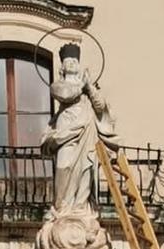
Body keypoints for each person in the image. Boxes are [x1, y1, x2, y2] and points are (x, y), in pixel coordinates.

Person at [41, 43, 119, 215]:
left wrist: (90, 88)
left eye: (74, 61)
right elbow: (64, 95)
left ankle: (79, 207)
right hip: (66, 129)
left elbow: (99, 107)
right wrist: (82, 86)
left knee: (87, 167)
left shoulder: (88, 86)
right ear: (62, 66)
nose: (71, 63)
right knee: (64, 165)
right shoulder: (58, 85)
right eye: (68, 61)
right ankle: (61, 207)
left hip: (87, 128)